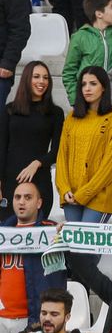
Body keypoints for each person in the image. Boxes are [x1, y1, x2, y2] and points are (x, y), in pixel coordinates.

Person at [55, 68, 112, 224]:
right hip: (71, 194)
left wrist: (84, 194)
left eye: (93, 84)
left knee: (86, 246)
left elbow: (111, 165)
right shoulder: (72, 118)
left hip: (99, 195)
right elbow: (62, 157)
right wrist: (64, 188)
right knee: (73, 246)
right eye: (84, 84)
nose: (87, 88)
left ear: (104, 87)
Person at [0, 182, 65, 333]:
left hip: (32, 319)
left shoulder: (52, 231)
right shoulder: (3, 231)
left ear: (39, 203)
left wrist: (64, 238)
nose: (21, 202)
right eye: (17, 197)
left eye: (28, 197)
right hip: (1, 316)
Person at [1, 62, 60, 218]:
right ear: (27, 78)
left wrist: (37, 163)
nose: (42, 81)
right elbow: (1, 148)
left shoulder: (55, 113)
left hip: (40, 181)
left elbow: (57, 150)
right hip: (10, 181)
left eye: (46, 77)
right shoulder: (9, 110)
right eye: (36, 76)